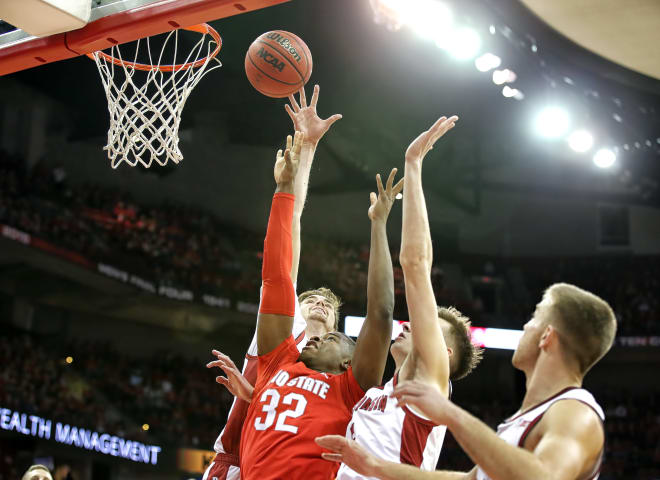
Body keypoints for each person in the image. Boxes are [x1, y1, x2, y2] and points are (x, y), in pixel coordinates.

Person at [316, 282, 617, 480]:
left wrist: (451, 415)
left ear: (547, 336)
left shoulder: (576, 412)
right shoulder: (519, 423)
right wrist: (374, 466)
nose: (525, 326)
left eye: (534, 319)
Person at [320, 115, 482, 479]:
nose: (413, 324)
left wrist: (413, 164)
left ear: (445, 353)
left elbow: (414, 263)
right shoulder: (377, 391)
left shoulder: (430, 384)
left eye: (430, 328)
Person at [236, 125, 400, 480]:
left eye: (330, 337)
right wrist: (282, 191)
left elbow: (381, 313)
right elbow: (276, 277)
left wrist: (379, 226)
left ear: (348, 361)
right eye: (309, 300)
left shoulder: (350, 387)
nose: (315, 337)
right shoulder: (279, 359)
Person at [202, 85, 343, 480]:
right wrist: (308, 148)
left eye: (328, 306)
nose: (318, 304)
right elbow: (288, 236)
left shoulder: (340, 374)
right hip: (236, 463)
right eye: (310, 299)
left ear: (336, 333)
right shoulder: (285, 336)